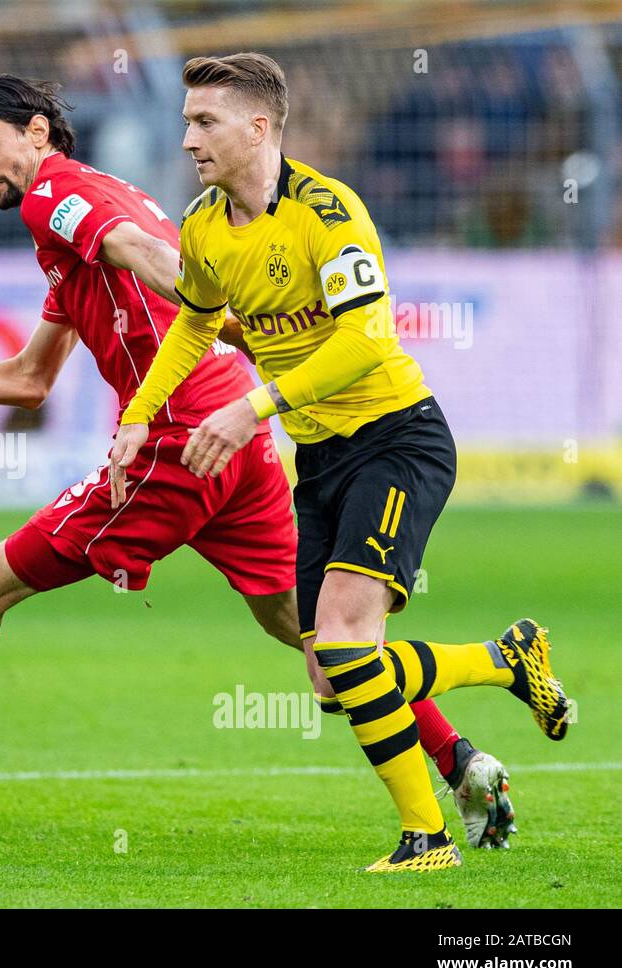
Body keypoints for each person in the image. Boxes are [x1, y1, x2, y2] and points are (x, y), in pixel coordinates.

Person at [0, 75, 524, 857]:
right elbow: (30, 378)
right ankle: (463, 758)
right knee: (316, 639)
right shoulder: (74, 221)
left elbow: (147, 254)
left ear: (37, 133)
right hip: (229, 432)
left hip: (183, 436)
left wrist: (210, 324)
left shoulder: (57, 195)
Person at [107, 53, 570, 870]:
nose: (187, 139)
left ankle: (427, 836)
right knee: (332, 673)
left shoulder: (329, 211)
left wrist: (251, 405)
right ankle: (506, 660)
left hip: (397, 440)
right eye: (186, 122)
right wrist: (140, 416)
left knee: (350, 642)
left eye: (204, 122)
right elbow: (195, 323)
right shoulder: (207, 225)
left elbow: (366, 338)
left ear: (259, 129)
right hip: (319, 458)